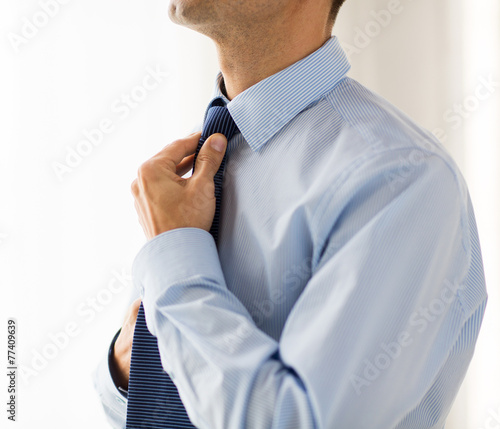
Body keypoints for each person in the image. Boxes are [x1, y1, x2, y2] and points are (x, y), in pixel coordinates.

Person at [93, 0, 488, 428]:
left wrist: (175, 263)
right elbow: (141, 403)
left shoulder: (402, 179)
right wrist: (129, 363)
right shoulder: (207, 161)